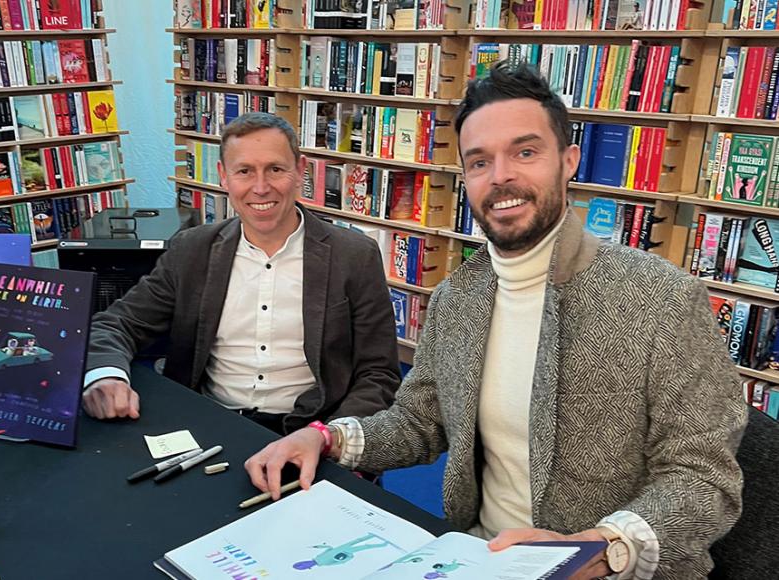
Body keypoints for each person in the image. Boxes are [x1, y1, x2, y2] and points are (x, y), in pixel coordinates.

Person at [245, 62, 747, 578]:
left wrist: (601, 548)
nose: (501, 175)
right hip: (474, 557)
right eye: (480, 161)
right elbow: (421, 421)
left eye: (525, 152)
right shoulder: (457, 298)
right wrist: (327, 437)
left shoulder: (661, 299)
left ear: (568, 161)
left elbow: (702, 477)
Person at [82, 112, 401, 434]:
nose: (260, 188)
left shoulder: (354, 256)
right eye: (245, 171)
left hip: (311, 428)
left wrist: (331, 437)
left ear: (300, 170)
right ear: (224, 176)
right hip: (206, 421)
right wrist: (106, 375)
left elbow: (379, 373)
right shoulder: (192, 250)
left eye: (275, 169)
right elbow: (116, 323)